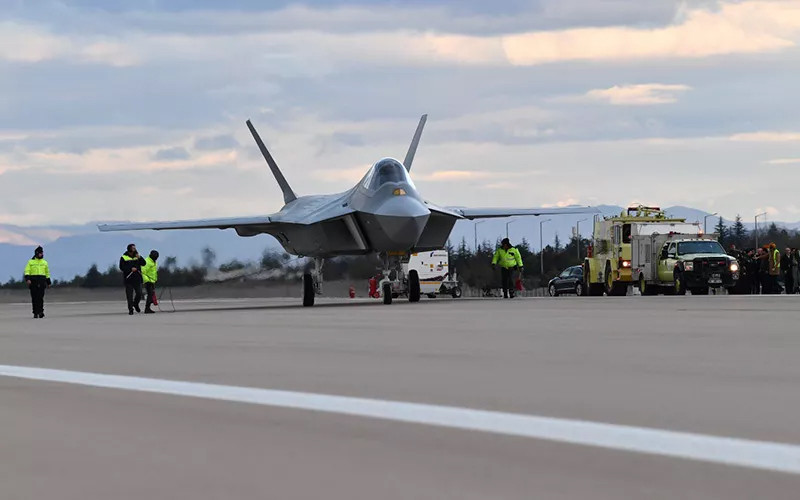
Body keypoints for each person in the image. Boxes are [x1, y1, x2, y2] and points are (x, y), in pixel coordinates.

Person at [24, 246, 51, 318]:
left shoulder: (45, 262)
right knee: (34, 297)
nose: (42, 254)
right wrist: (27, 279)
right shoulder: (30, 262)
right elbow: (27, 271)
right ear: (37, 253)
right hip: (33, 281)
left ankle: (41, 311)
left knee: (40, 297)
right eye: (41, 253)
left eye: (42, 253)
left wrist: (48, 282)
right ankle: (35, 312)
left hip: (42, 280)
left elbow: (47, 272)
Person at [119, 243, 146, 315]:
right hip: (129, 279)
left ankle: (135, 303)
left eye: (135, 248)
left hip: (137, 278)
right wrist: (130, 269)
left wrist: (140, 257)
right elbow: (122, 267)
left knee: (139, 293)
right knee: (129, 295)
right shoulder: (124, 257)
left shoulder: (137, 256)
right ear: (129, 249)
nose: (134, 249)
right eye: (133, 248)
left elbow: (144, 263)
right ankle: (130, 309)